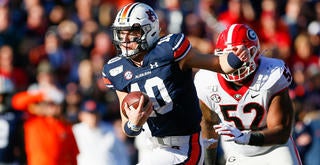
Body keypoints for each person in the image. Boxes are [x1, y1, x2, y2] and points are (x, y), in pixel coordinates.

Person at [102, 2, 249, 164]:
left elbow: (218, 64)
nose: (125, 39)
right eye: (121, 33)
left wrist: (236, 59)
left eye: (132, 33)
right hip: (155, 148)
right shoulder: (116, 69)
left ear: (149, 31)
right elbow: (127, 127)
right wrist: (134, 124)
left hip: (186, 146)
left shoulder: (169, 50)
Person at [194, 23, 302, 165]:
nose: (237, 60)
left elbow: (281, 132)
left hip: (274, 149)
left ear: (255, 52)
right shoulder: (207, 80)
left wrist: (246, 137)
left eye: (243, 53)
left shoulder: (272, 73)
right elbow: (208, 124)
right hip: (237, 151)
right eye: (230, 54)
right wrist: (209, 162)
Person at [11, 83, 79, 165]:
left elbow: (73, 154)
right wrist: (43, 94)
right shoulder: (34, 120)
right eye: (49, 104)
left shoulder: (66, 126)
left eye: (55, 104)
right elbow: (16, 102)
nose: (52, 107)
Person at [72, 99, 130, 165]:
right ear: (81, 115)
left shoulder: (111, 130)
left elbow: (122, 153)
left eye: (95, 113)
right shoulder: (75, 131)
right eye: (89, 114)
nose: (93, 117)